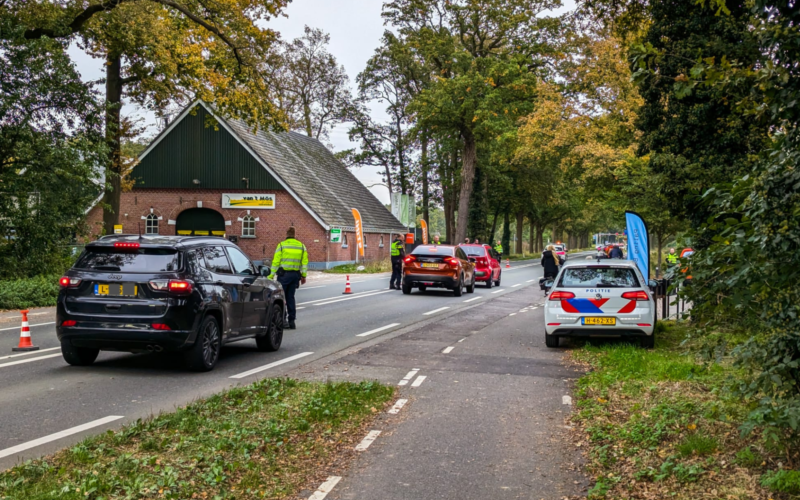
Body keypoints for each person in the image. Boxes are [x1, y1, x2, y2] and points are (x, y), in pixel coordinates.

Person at [269, 226, 308, 330]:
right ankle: (292, 321)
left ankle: (283, 320)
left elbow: (276, 262)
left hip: (283, 276)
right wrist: (303, 275)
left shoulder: (281, 245)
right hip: (295, 275)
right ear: (295, 235)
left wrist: (271, 275)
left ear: (286, 234)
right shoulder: (301, 246)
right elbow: (304, 263)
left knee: (281, 298)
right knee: (291, 297)